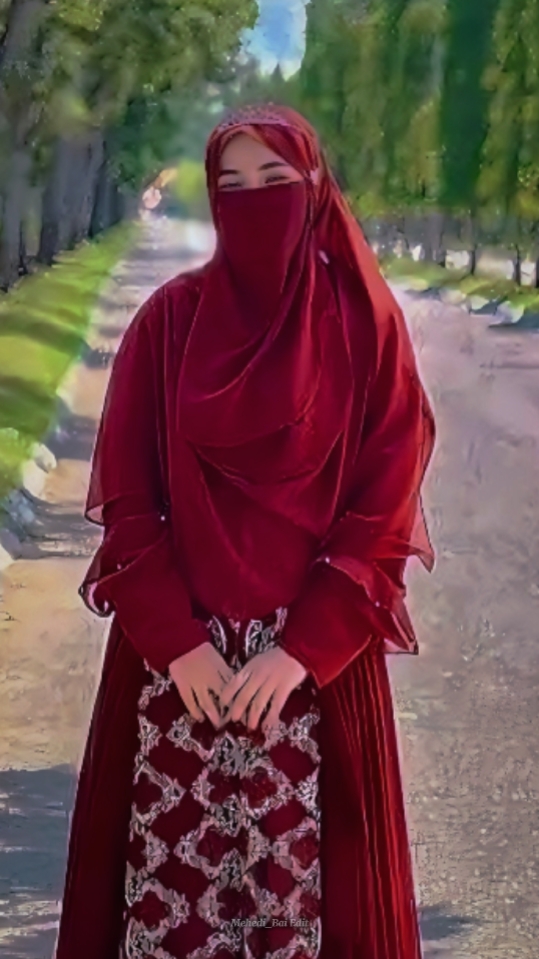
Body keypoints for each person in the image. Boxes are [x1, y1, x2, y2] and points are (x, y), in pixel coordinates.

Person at [54, 104, 435, 959]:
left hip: (315, 678)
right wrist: (178, 644)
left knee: (320, 917)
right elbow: (130, 505)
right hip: (174, 676)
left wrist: (301, 649)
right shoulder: (169, 323)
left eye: (274, 180)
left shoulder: (364, 328)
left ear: (315, 188)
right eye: (231, 185)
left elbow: (383, 506)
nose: (253, 200)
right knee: (164, 919)